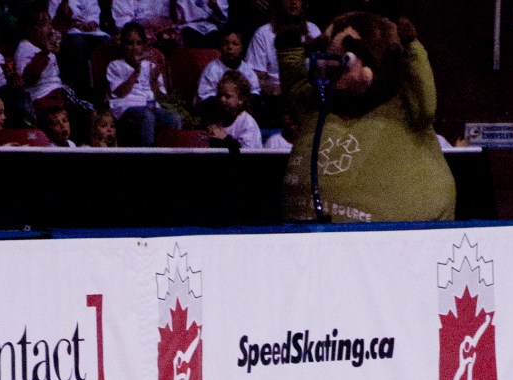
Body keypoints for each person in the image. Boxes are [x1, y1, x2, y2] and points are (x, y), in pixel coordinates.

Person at [279, 11, 456, 223]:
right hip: (307, 234)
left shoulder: (402, 108)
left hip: (398, 236)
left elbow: (424, 100)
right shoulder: (320, 102)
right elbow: (296, 91)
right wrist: (289, 50)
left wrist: (412, 49)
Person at [107, 22, 182, 145]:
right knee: (147, 116)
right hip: (126, 107)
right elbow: (120, 93)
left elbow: (160, 98)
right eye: (130, 43)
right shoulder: (115, 65)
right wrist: (136, 71)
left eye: (138, 43)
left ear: (144, 46)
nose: (134, 48)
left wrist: (153, 82)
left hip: (151, 107)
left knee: (174, 118)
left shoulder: (151, 66)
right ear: (123, 45)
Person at [195, 27, 260, 106]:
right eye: (225, 43)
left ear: (241, 48)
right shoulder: (212, 69)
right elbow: (205, 97)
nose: (229, 47)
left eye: (235, 44)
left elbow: (255, 91)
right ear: (220, 47)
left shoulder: (247, 70)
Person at [206, 70, 262, 147]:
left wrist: (225, 138)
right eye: (220, 95)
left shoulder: (247, 123)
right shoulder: (218, 119)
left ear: (241, 99)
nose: (222, 99)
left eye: (228, 96)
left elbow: (247, 152)